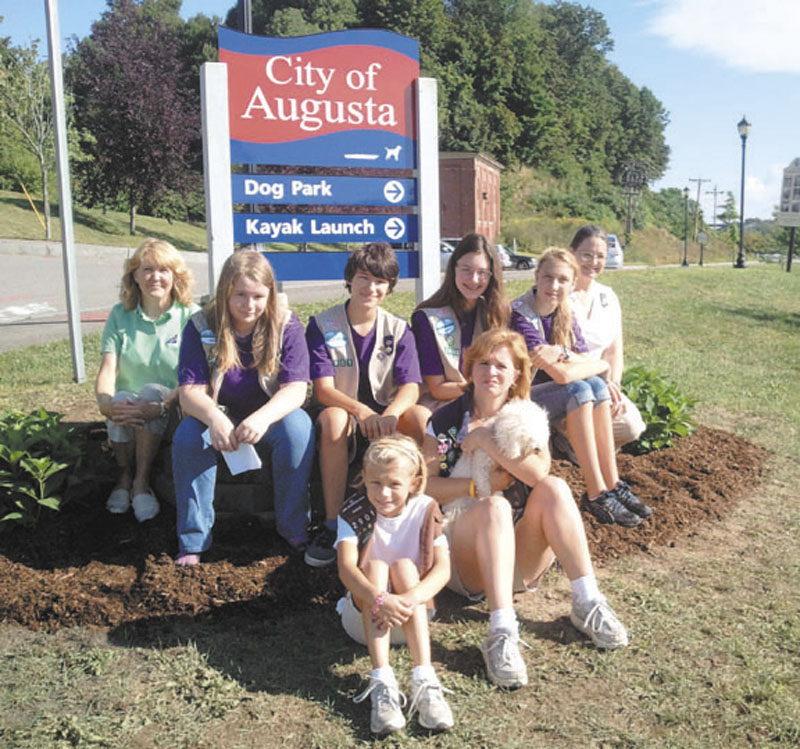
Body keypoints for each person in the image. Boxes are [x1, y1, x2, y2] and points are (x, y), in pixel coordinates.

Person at [424, 328, 629, 690]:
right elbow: (425, 484)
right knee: (495, 508)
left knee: (555, 487)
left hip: (518, 554)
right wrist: (475, 486)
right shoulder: (444, 421)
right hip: (465, 556)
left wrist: (488, 440)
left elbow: (537, 473)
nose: (491, 372)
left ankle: (587, 600)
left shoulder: (526, 416)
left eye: (502, 366)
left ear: (517, 374)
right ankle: (501, 630)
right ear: (470, 368)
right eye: (483, 363)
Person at [172, 250, 314, 565]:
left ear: (270, 294)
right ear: (226, 292)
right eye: (240, 295)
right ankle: (193, 540)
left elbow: (296, 389)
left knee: (298, 427)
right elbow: (189, 391)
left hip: (269, 417)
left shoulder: (286, 324)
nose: (249, 305)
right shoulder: (201, 326)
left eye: (258, 296)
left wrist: (262, 418)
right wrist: (215, 419)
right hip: (217, 414)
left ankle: (293, 527)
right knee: (187, 437)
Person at [510, 248, 652, 528]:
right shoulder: (521, 314)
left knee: (596, 386)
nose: (553, 286)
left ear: (573, 284)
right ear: (536, 276)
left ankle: (612, 484)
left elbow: (587, 364)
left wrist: (569, 356)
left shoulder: (566, 313)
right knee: (580, 389)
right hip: (521, 400)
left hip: (553, 397)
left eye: (563, 280)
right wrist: (586, 364)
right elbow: (563, 376)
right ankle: (595, 492)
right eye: (548, 277)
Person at [304, 243, 421, 567]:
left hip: (384, 413)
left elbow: (411, 386)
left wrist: (391, 415)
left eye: (380, 281)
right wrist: (361, 411)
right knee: (334, 421)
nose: (371, 288)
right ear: (349, 280)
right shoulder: (322, 324)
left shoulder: (398, 329)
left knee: (423, 418)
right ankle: (330, 524)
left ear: (390, 286)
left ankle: (417, 516)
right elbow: (323, 389)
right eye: (364, 278)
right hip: (343, 409)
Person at [337, 435, 453, 735]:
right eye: (375, 483)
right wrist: (378, 598)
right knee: (375, 567)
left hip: (413, 616)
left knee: (403, 566)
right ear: (363, 478)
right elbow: (347, 569)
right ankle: (382, 681)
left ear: (413, 483)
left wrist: (408, 599)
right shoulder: (353, 512)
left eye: (394, 484)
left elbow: (443, 569)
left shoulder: (427, 509)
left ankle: (424, 679)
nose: (383, 493)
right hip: (364, 620)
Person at [95, 238, 198, 522]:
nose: (156, 277)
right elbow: (107, 367)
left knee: (151, 391)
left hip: (173, 406)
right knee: (118, 398)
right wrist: (104, 403)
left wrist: (162, 405)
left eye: (164, 270)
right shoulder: (120, 315)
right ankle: (124, 477)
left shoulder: (191, 316)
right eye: (147, 269)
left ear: (175, 275)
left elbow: (195, 377)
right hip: (130, 406)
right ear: (135, 276)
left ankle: (141, 481)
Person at [408, 233, 509, 441]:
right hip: (444, 404)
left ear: (492, 276)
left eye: (482, 272)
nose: (473, 280)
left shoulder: (497, 314)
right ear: (453, 268)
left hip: (489, 400)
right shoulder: (427, 319)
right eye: (466, 270)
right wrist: (484, 389)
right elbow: (437, 389)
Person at [569, 225, 645, 448]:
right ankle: (570, 443)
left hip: (603, 382)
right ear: (571, 253)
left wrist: (613, 384)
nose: (593, 262)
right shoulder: (560, 293)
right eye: (586, 254)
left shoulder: (608, 297)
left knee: (632, 426)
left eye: (600, 256)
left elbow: (613, 349)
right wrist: (599, 382)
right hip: (570, 384)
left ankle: (583, 447)